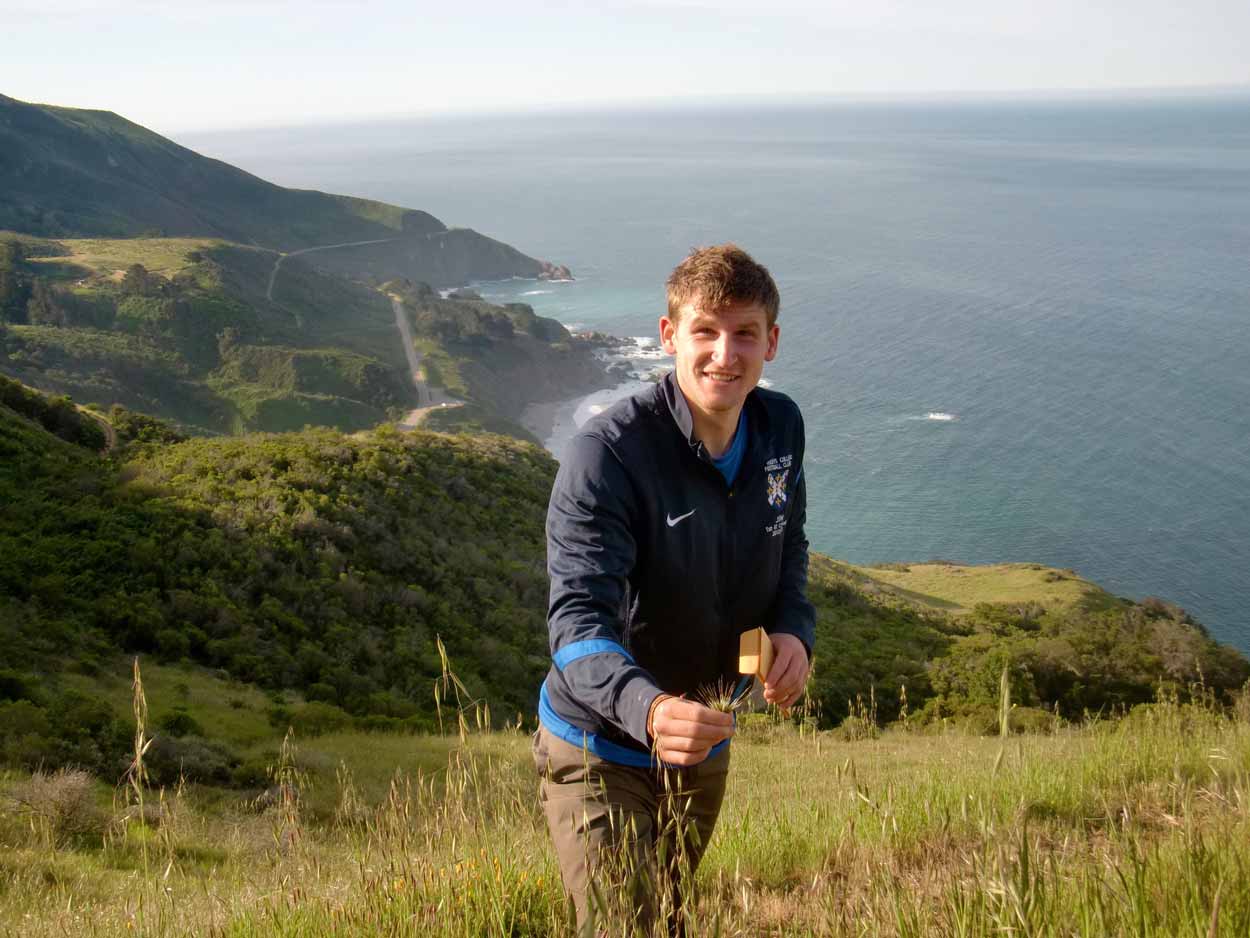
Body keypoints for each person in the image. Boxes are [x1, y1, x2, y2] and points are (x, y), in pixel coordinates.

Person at [534, 243, 815, 934]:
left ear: (771, 341)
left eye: (745, 331)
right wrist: (651, 711)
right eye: (705, 331)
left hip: (706, 739)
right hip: (601, 743)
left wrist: (794, 633)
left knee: (671, 918)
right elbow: (576, 624)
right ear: (669, 337)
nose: (726, 352)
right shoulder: (607, 454)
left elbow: (790, 547)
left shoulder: (781, 427)